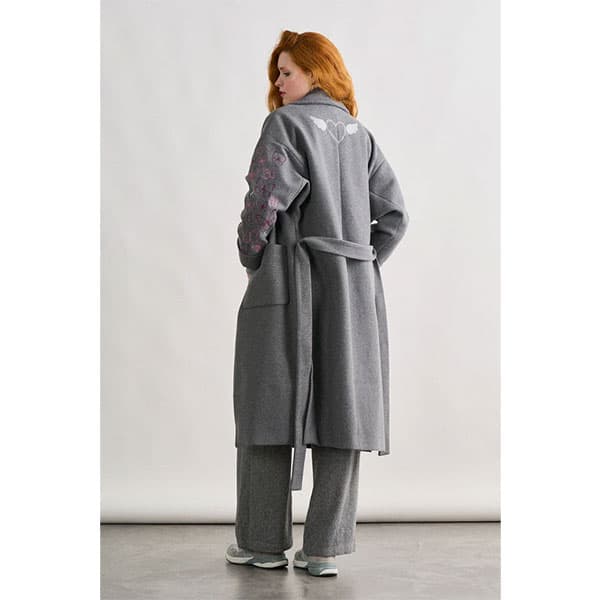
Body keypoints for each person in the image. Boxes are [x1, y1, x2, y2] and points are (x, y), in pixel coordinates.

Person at [226, 29, 409, 577]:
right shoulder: (360, 134)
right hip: (352, 292)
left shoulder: (284, 125)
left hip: (291, 281)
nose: (278, 83)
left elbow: (263, 201)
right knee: (343, 408)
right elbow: (395, 216)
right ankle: (324, 549)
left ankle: (263, 545)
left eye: (287, 71)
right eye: (277, 74)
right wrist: (359, 263)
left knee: (266, 405)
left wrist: (253, 255)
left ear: (316, 70)